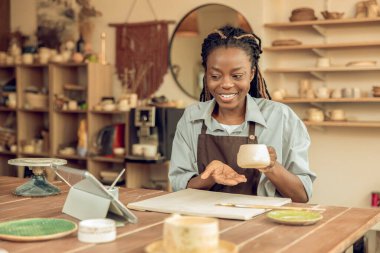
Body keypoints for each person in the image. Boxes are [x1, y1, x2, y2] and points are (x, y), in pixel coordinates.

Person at [169, 25, 316, 203]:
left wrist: (271, 167)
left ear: (252, 73)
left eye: (237, 76)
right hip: (205, 222)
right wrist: (208, 177)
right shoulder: (191, 118)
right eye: (215, 76)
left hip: (263, 225)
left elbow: (302, 195)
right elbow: (178, 187)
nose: (226, 84)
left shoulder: (281, 117)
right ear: (206, 74)